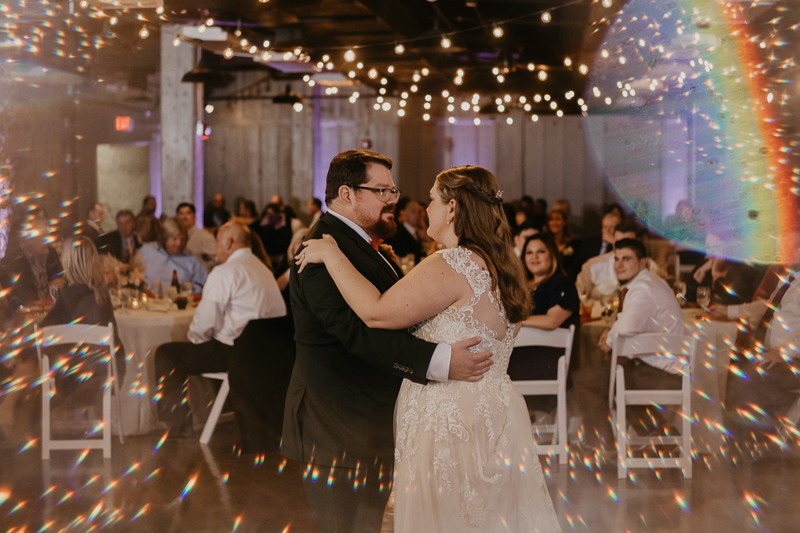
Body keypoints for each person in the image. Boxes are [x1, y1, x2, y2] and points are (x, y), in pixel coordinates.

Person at [293, 157, 562, 532]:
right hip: (490, 410)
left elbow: (375, 313)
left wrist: (334, 254)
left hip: (448, 415)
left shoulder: (450, 263)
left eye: (432, 199)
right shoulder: (501, 265)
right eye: (383, 191)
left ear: (452, 208)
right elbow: (355, 332)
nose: (402, 202)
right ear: (346, 193)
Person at [154, 222, 286, 437]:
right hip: (269, 354)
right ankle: (220, 408)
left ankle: (179, 427)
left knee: (167, 354)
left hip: (237, 354)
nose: (215, 247)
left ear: (229, 242)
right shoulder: (263, 269)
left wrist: (196, 340)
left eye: (217, 241)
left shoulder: (224, 272)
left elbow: (203, 325)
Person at [575, 238, 685, 448]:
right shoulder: (645, 283)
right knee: (613, 373)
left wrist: (609, 338)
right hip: (656, 368)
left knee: (586, 380)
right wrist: (612, 331)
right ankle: (662, 438)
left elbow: (625, 328)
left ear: (643, 263)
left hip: (663, 375)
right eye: (616, 259)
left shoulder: (643, 287)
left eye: (626, 259)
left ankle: (603, 448)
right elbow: (630, 323)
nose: (619, 265)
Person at [508, 233, 580, 383]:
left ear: (552, 254)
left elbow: (551, 321)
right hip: (518, 357)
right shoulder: (520, 287)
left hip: (544, 362)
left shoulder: (563, 284)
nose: (534, 257)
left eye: (541, 251)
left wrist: (515, 319)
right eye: (529, 252)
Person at [0, 209, 64, 313]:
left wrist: (58, 284)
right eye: (43, 238)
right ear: (28, 241)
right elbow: (11, 300)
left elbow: (61, 279)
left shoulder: (50, 253)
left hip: (53, 311)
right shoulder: (11, 263)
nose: (47, 242)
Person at [135, 217, 207, 292]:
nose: (179, 243)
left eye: (182, 239)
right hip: (150, 301)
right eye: (174, 239)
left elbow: (201, 289)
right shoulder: (147, 252)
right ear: (165, 238)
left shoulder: (193, 261)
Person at [576, 218, 640, 303]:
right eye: (619, 243)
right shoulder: (592, 265)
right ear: (613, 242)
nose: (623, 248)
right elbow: (578, 297)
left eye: (629, 244)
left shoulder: (650, 268)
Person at [570, 211, 622, 277]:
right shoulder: (589, 243)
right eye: (605, 227)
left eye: (611, 227)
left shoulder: (619, 246)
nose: (607, 231)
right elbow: (575, 268)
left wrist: (613, 242)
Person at [176, 202, 217, 270]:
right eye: (181, 213)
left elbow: (213, 263)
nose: (184, 217)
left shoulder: (206, 237)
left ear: (195, 216)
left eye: (188, 213)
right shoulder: (172, 238)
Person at [384, 197, 424, 264]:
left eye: (418, 212)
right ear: (405, 213)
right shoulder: (398, 232)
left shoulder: (414, 231)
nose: (416, 215)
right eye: (413, 212)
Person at [544, 208, 581, 274]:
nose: (554, 223)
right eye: (551, 219)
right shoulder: (544, 243)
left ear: (564, 222)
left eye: (557, 219)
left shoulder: (575, 243)